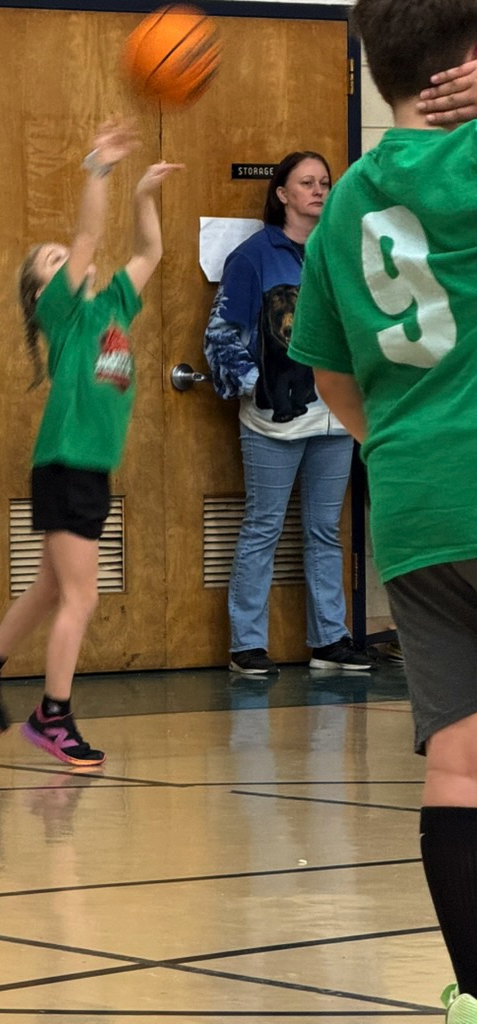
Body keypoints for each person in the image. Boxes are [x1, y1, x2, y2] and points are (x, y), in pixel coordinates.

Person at [288, 2, 477, 1020]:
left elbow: (329, 374)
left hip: (414, 503)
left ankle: (476, 992)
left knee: (459, 757)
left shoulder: (348, 202)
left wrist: (400, 449)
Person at [0, 119, 183, 768]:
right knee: (81, 596)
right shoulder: (63, 312)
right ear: (42, 292)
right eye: (52, 262)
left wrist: (143, 195)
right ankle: (52, 715)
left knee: (53, 588)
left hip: (89, 467)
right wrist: (98, 168)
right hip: (65, 463)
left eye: (64, 257)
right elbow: (87, 236)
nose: (69, 260)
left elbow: (149, 253)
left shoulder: (112, 305)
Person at [203, 152, 372, 677]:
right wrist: (257, 386)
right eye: (306, 183)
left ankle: (330, 640)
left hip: (336, 418)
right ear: (282, 194)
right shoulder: (253, 257)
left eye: (325, 182)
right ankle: (247, 646)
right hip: (273, 423)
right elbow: (220, 335)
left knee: (325, 530)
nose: (319, 190)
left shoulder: (341, 251)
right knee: (263, 526)